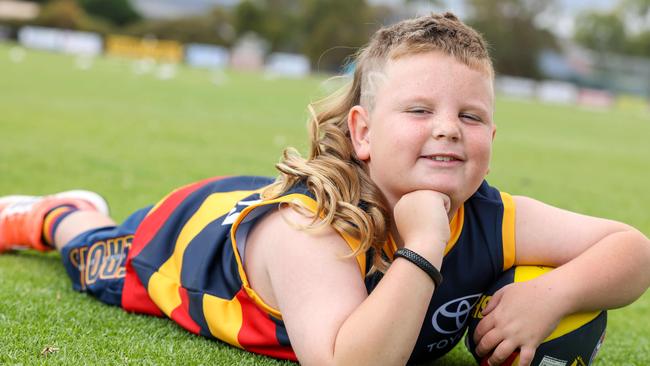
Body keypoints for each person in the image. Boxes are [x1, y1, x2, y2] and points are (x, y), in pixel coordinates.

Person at [1, 12, 649, 366]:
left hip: (268, 206)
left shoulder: (487, 214)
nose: (448, 130)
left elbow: (632, 250)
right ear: (363, 132)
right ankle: (61, 214)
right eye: (419, 111)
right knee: (91, 256)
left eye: (471, 116)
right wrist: (422, 245)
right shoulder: (311, 233)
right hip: (186, 242)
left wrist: (552, 295)